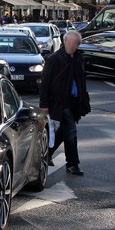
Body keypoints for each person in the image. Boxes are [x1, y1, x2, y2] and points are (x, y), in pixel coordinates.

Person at [39, 30, 90, 175]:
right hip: (60, 101)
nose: (72, 46)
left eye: (75, 44)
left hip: (74, 102)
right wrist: (44, 105)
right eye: (70, 43)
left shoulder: (79, 58)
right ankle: (72, 164)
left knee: (63, 132)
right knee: (71, 132)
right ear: (64, 42)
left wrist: (83, 99)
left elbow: (81, 81)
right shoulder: (55, 59)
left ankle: (47, 153)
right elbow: (45, 83)